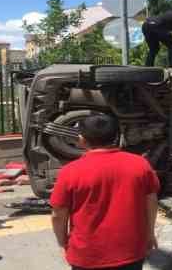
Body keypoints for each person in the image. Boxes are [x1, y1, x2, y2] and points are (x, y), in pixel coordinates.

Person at [50, 113, 160, 270]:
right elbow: (151, 201)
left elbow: (58, 215)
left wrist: (62, 244)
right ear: (117, 137)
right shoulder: (140, 164)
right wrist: (150, 234)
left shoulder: (70, 172)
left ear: (81, 140)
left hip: (86, 255)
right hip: (131, 251)